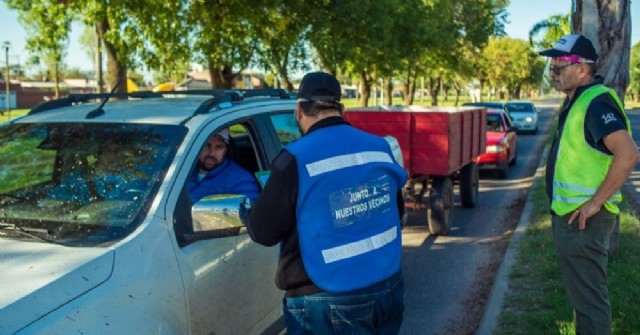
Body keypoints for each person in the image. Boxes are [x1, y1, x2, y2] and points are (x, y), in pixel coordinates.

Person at [246, 72, 408, 334]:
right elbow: (394, 211)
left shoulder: (294, 160)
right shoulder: (380, 148)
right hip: (387, 287)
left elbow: (263, 232)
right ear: (341, 109)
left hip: (327, 297)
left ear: (299, 110)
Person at [540, 34, 640, 335]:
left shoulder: (596, 102)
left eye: (560, 66)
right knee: (583, 299)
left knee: (590, 303)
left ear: (583, 69)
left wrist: (595, 202)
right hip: (573, 218)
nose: (553, 72)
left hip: (585, 221)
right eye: (552, 66)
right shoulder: (578, 101)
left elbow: (628, 153)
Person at [187, 128, 260, 203]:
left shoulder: (241, 180)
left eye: (219, 147)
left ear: (225, 150)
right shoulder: (184, 168)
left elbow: (250, 211)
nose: (211, 153)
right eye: (207, 145)